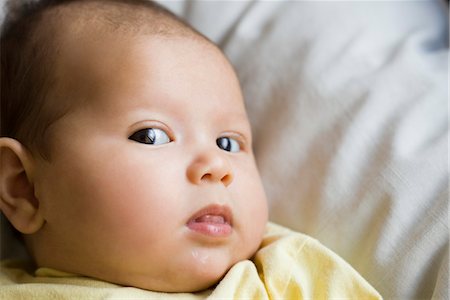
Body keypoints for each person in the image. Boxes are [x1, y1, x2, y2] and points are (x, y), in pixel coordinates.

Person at [0, 0, 382, 298]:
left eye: (228, 142)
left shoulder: (286, 275)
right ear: (24, 188)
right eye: (152, 135)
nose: (216, 165)